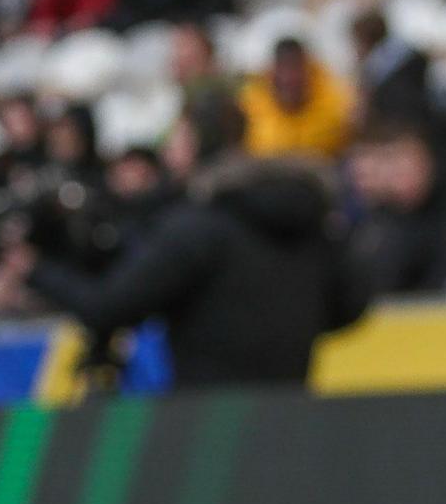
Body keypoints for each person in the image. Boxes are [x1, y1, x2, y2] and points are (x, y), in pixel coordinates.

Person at [29, 95, 369, 387]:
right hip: (291, 414)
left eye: (176, 138)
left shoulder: (198, 226)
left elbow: (108, 306)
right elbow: (350, 304)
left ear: (196, 144)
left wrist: (35, 269)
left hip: (208, 419)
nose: (168, 152)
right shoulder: (308, 217)